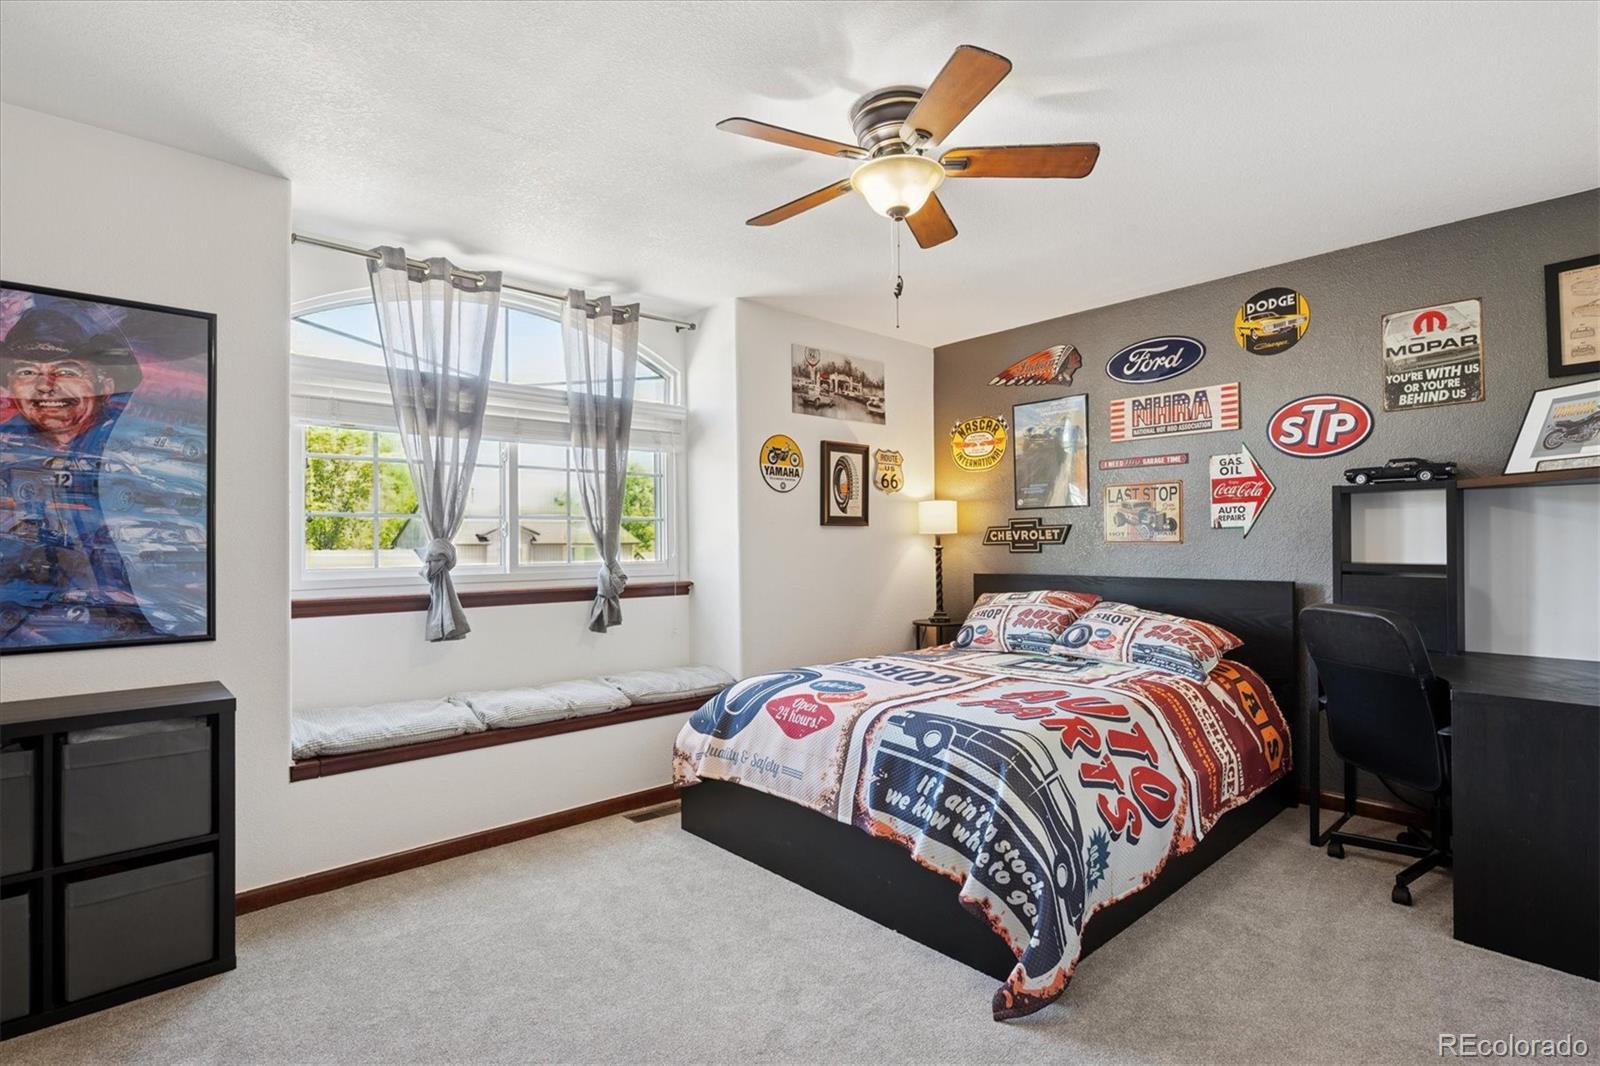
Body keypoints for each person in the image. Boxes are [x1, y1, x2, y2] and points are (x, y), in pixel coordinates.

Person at [0, 306, 152, 644]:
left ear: (105, 383)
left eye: (67, 370)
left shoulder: (139, 451)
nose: (46, 386)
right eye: (27, 371)